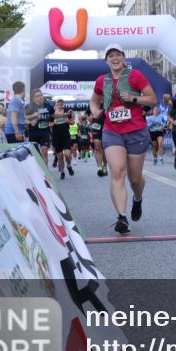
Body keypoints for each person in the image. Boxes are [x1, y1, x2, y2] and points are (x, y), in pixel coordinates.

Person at [90, 43, 157, 235]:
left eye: (118, 54)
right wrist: (96, 112)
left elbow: (152, 99)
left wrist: (134, 99)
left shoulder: (135, 76)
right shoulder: (102, 80)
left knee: (135, 178)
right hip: (112, 131)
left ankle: (137, 198)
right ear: (106, 60)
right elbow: (94, 101)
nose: (115, 58)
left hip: (136, 130)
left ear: (123, 57)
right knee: (117, 172)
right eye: (110, 55)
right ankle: (122, 217)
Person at [24, 88, 53, 163]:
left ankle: (45, 174)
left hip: (45, 132)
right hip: (33, 133)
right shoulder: (29, 107)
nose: (39, 97)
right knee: (36, 155)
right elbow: (23, 119)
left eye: (40, 95)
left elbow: (54, 114)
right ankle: (39, 171)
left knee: (44, 151)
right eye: (37, 96)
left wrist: (64, 115)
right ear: (33, 98)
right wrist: (30, 122)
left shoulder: (48, 106)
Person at [50, 100, 74, 180]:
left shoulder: (67, 112)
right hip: (56, 136)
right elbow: (49, 125)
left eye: (61, 104)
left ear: (63, 105)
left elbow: (73, 122)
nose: (60, 106)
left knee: (67, 154)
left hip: (65, 136)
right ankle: (62, 172)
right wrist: (53, 123)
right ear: (56, 105)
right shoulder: (53, 114)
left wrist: (68, 121)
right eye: (58, 104)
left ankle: (69, 166)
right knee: (60, 156)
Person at [89, 110, 108, 177]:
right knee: (97, 147)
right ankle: (99, 168)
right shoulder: (94, 103)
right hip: (96, 127)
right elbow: (89, 118)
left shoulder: (107, 103)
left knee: (104, 149)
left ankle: (105, 166)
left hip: (106, 127)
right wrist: (91, 119)